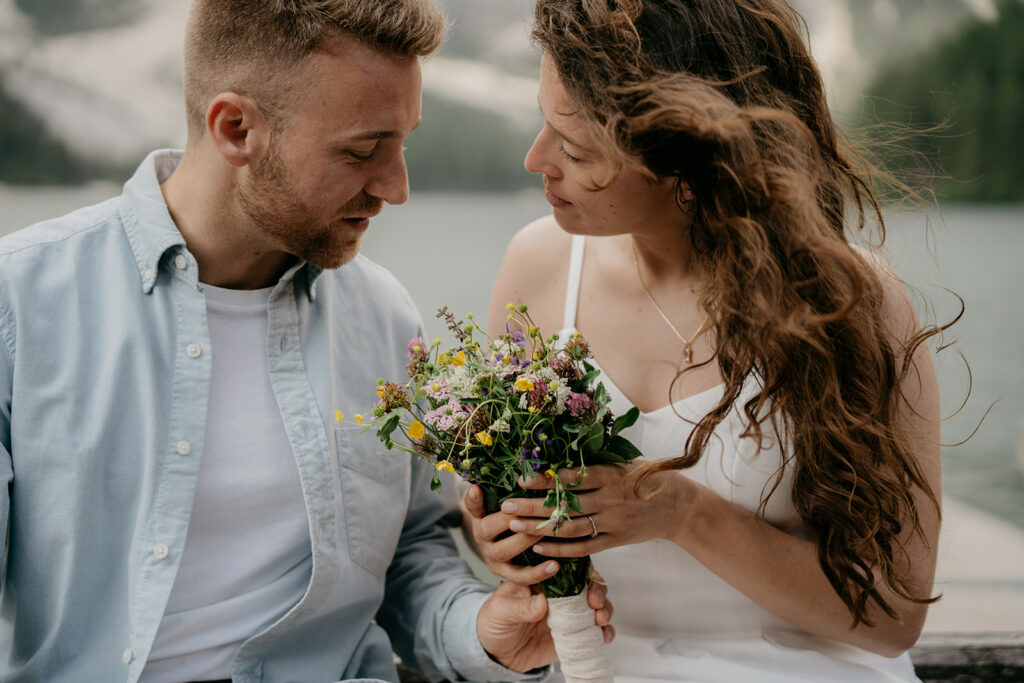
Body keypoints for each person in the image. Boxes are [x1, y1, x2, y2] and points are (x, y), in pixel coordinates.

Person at [0, 1, 611, 681]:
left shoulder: (383, 318)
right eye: (361, 151)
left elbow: (410, 555)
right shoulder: (21, 305)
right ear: (236, 129)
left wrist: (482, 636)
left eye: (403, 143)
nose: (396, 187)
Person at [464, 0, 944, 681]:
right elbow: (517, 522)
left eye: (573, 146)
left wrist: (678, 510)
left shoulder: (854, 303)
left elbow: (895, 617)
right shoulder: (536, 270)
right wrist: (509, 539)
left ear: (685, 164)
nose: (535, 159)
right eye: (544, 123)